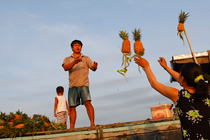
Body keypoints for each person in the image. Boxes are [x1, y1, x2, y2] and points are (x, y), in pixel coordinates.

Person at [134, 55, 210, 140]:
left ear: (183, 79)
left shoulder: (179, 96)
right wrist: (166, 67)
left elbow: (154, 84)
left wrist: (146, 66)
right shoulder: (207, 93)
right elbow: (185, 79)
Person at [62, 39, 98, 129]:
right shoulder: (68, 59)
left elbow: (92, 68)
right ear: (72, 48)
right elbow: (65, 67)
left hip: (84, 84)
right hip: (73, 85)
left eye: (79, 45)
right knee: (72, 107)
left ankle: (92, 124)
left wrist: (95, 67)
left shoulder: (86, 58)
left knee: (88, 103)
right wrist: (75, 62)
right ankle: (72, 127)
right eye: (75, 45)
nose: (78, 47)